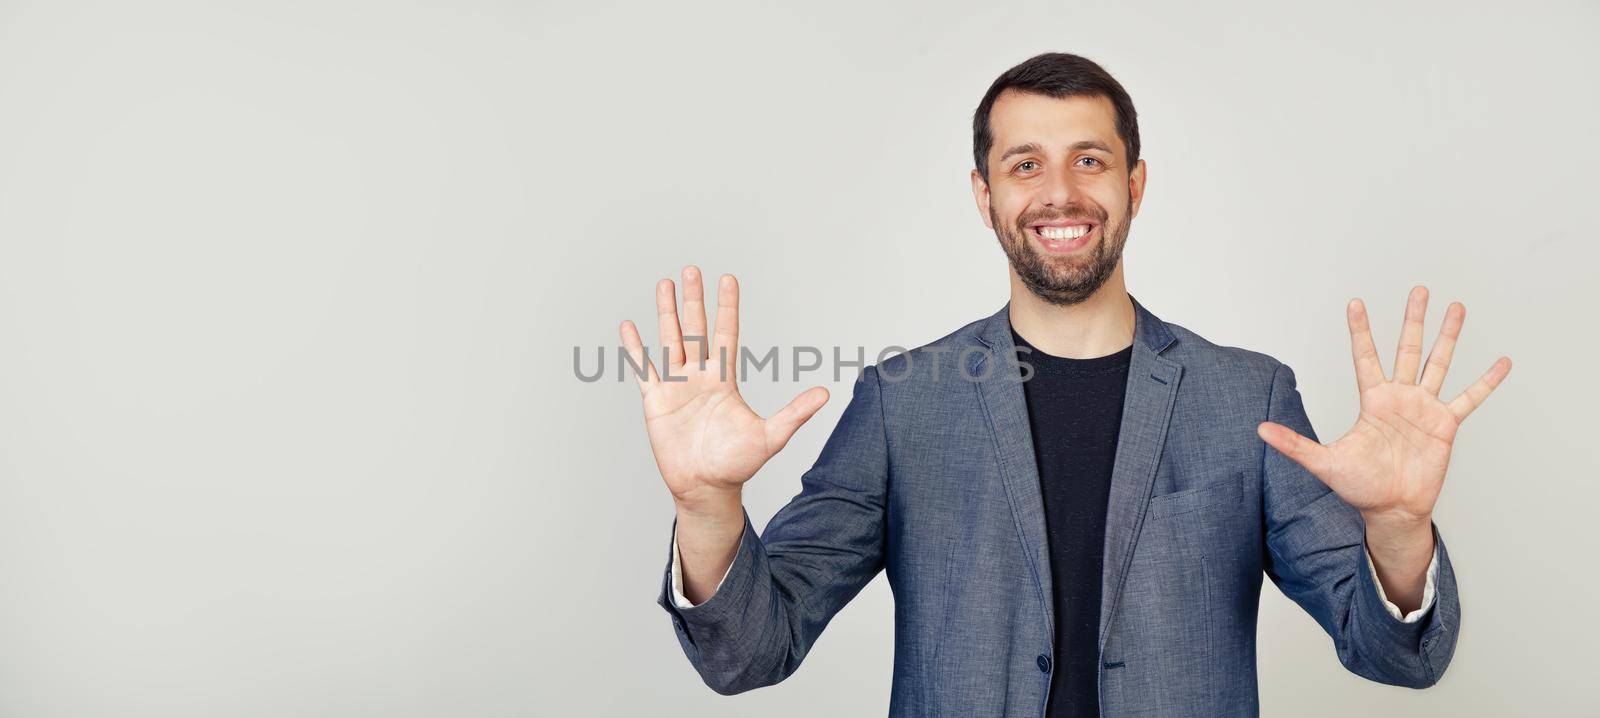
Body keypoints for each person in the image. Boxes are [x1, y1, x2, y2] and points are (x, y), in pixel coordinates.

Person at [616, 52, 1511, 717]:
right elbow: (750, 654)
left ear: (1134, 183)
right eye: (1025, 163)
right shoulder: (905, 403)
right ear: (984, 194)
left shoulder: (1250, 399)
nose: (1060, 192)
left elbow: (1396, 656)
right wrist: (706, 508)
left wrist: (1397, 530)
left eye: (1089, 159)